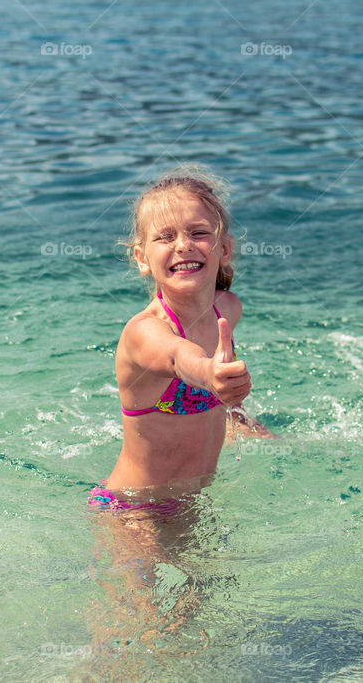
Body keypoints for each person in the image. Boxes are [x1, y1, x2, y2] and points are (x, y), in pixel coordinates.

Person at [88, 164, 271, 513]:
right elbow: (178, 357)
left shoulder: (227, 309)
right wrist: (208, 374)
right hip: (132, 507)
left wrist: (239, 415)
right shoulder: (144, 332)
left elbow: (212, 395)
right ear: (142, 258)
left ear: (224, 249)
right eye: (165, 237)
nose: (184, 245)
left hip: (195, 503)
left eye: (199, 233)